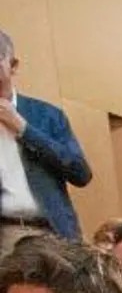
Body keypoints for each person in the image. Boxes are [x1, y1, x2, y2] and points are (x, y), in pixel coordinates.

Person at [0, 30, 91, 250]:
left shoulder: (46, 115)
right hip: (4, 236)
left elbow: (81, 173)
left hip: (53, 231)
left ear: (13, 65)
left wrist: (23, 129)